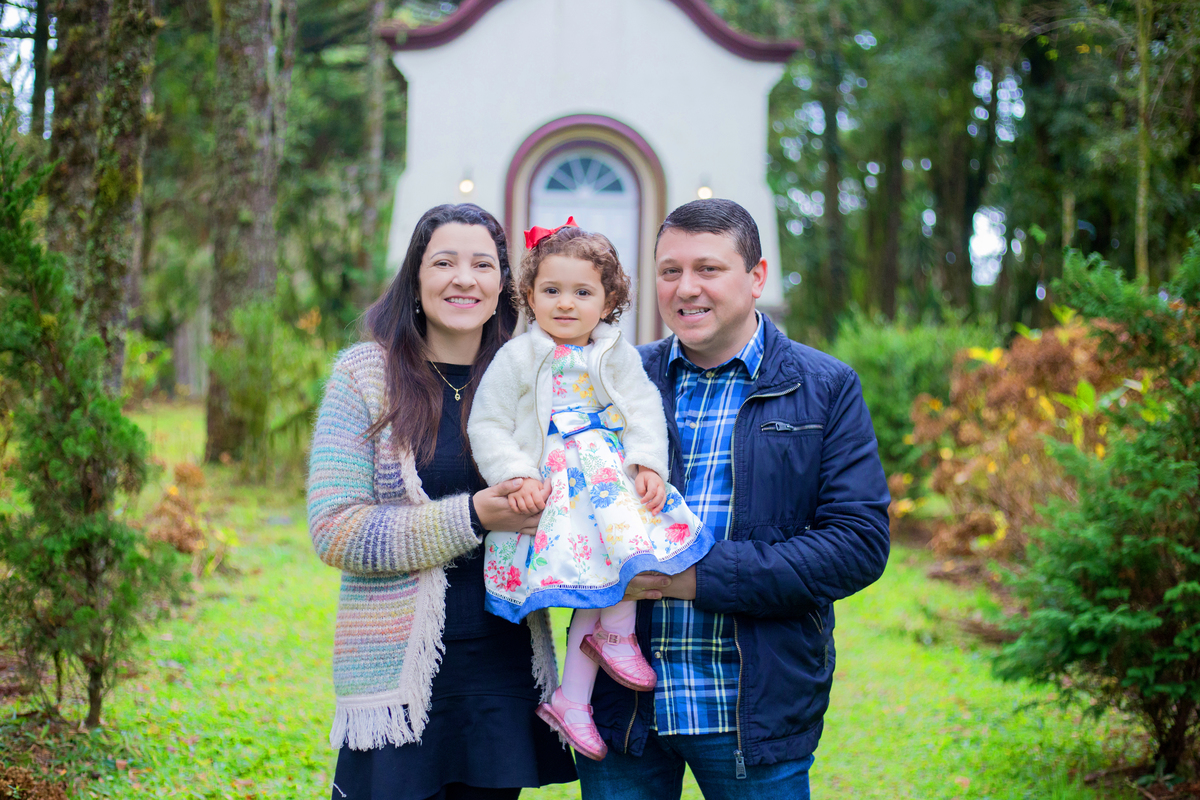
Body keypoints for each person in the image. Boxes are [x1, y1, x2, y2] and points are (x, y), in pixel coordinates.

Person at [576, 199, 891, 800]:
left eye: (708, 269)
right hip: (625, 710)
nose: (686, 288)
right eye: (669, 271)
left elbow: (858, 544)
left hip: (753, 712)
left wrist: (698, 577)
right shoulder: (618, 382)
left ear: (756, 277)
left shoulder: (824, 388)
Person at [308, 204, 577, 800]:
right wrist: (475, 515)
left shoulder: (534, 376)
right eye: (444, 262)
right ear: (416, 277)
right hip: (395, 679)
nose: (464, 278)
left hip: (501, 669)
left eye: (483, 263)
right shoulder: (365, 376)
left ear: (505, 283)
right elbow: (335, 529)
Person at [468, 220, 713, 763]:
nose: (565, 303)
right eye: (551, 290)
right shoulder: (518, 357)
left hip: (608, 481)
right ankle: (585, 680)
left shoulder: (615, 353)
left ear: (608, 302)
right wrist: (516, 474)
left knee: (622, 560)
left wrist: (648, 462)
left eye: (583, 292)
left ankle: (582, 684)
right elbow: (487, 424)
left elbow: (645, 408)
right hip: (556, 491)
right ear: (529, 295)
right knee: (597, 573)